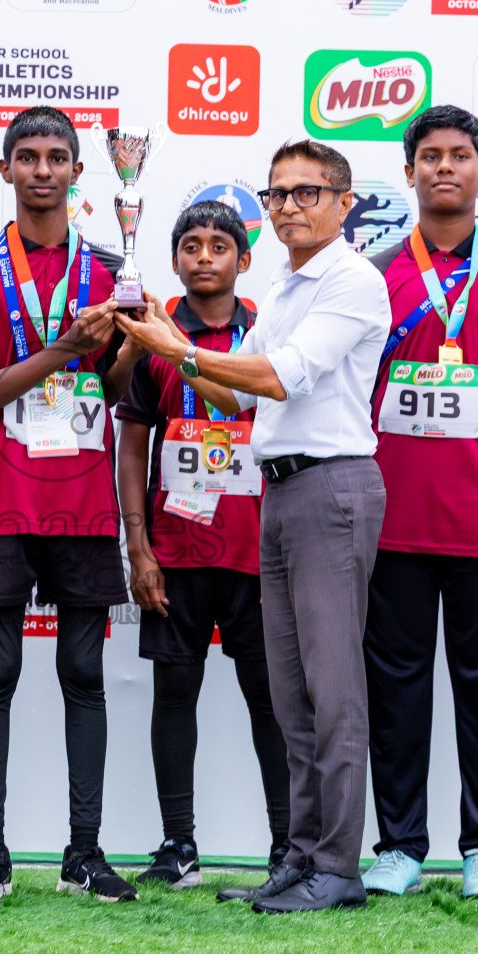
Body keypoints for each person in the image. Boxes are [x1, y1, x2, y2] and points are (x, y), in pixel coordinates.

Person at [116, 139, 390, 914]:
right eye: (276, 195)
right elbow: (240, 401)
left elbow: (279, 377)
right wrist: (157, 343)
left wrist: (177, 346)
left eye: (307, 193)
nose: (289, 207)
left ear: (344, 203)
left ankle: (338, 868)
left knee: (333, 693)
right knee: (293, 694)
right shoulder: (287, 285)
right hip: (278, 492)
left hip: (330, 489)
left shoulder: (353, 280)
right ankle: (301, 859)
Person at [0, 105, 142, 904]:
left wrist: (120, 345)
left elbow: (116, 392)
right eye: (28, 156)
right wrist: (65, 346)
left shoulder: (109, 270)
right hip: (4, 501)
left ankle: (83, 854)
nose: (44, 169)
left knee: (83, 671)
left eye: (59, 156)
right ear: (6, 171)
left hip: (85, 504)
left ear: (79, 172)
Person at [359, 106, 478, 901]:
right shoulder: (371, 273)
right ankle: (401, 844)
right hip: (391, 523)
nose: (445, 167)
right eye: (430, 156)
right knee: (395, 690)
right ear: (408, 173)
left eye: (461, 155)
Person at [114, 201, 290, 890]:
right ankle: (177, 843)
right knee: (174, 695)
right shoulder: (155, 338)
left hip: (259, 554)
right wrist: (140, 549)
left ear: (245, 260)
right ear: (175, 258)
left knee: (272, 704)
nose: (205, 255)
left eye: (221, 245)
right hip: (178, 553)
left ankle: (288, 844)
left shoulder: (268, 333)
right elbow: (132, 446)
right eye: (191, 244)